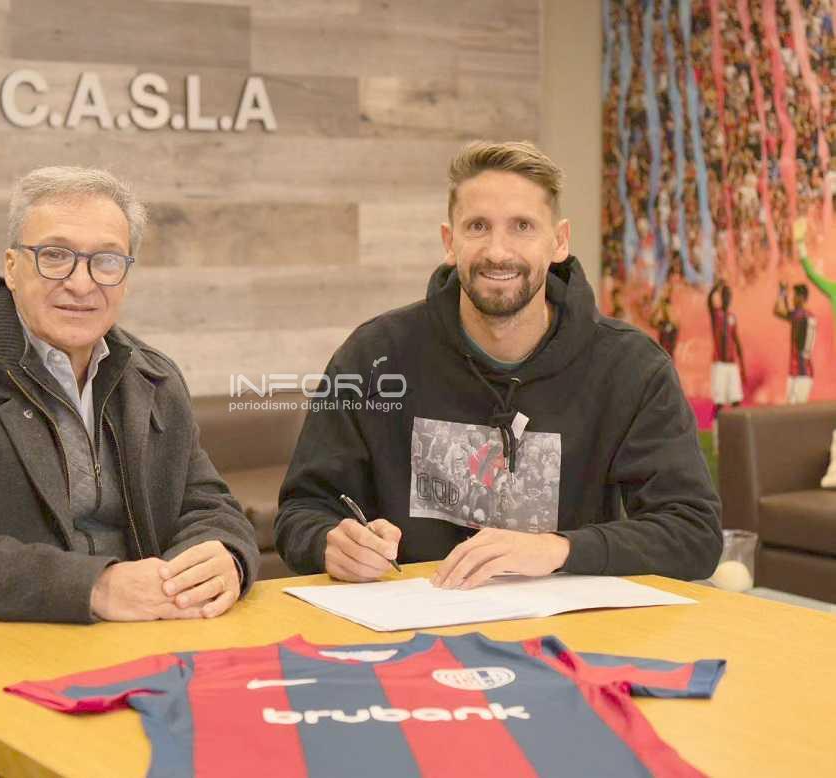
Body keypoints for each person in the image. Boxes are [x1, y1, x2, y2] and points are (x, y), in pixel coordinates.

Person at [0, 167, 259, 777]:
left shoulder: (152, 378)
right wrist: (98, 586)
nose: (81, 282)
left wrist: (224, 555)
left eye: (106, 261)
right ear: (12, 266)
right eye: (55, 256)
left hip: (132, 663)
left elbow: (208, 503)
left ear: (126, 275)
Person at [275, 140, 721, 589]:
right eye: (478, 226)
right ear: (450, 242)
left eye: (522, 226)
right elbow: (302, 511)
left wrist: (558, 549)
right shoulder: (373, 357)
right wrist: (330, 543)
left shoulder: (631, 368)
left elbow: (693, 533)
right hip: (411, 618)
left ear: (559, 241)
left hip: (569, 627)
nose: (498, 251)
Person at [707, 278, 746, 420]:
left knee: (736, 401)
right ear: (721, 297)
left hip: (732, 365)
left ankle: (738, 430)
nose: (727, 298)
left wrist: (743, 367)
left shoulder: (732, 318)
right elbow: (709, 301)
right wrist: (716, 286)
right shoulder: (716, 314)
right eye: (725, 295)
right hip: (719, 365)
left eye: (729, 295)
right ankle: (716, 430)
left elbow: (737, 341)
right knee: (719, 403)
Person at [773, 282, 817, 404]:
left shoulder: (799, 315)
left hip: (800, 372)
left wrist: (782, 293)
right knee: (793, 409)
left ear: (801, 297)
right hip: (801, 371)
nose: (793, 298)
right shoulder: (808, 315)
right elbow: (788, 313)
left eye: (795, 295)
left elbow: (777, 311)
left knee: (796, 410)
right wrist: (784, 297)